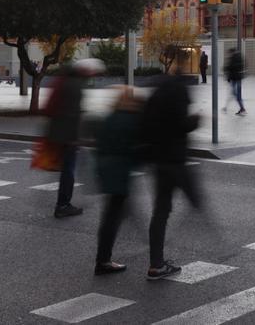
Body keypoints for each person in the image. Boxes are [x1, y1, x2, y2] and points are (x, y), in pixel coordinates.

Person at [143, 53, 203, 280]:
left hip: (158, 160)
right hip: (175, 159)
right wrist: (195, 120)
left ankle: (156, 263)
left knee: (160, 211)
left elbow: (146, 124)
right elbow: (181, 125)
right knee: (193, 200)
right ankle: (219, 240)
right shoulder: (178, 92)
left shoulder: (156, 93)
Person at [93, 85, 144, 276]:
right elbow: (134, 149)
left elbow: (100, 144)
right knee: (113, 215)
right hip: (119, 173)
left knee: (113, 213)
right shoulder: (128, 120)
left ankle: (104, 258)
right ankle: (103, 261)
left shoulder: (110, 117)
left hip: (107, 171)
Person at [47, 58, 105, 218]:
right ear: (86, 71)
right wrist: (78, 138)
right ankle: (63, 205)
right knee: (68, 170)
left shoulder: (68, 80)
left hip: (60, 133)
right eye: (93, 72)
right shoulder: (75, 85)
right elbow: (73, 114)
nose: (94, 75)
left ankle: (63, 202)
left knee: (67, 169)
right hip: (67, 136)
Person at [224, 48, 246, 115]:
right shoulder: (240, 57)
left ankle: (242, 108)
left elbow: (230, 68)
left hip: (234, 78)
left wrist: (227, 70)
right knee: (235, 93)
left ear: (231, 52)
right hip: (239, 78)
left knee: (235, 93)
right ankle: (241, 108)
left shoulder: (233, 58)